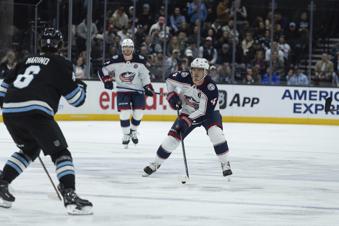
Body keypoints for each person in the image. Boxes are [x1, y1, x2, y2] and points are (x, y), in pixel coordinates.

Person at [0, 28, 92, 214]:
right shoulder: (61, 63)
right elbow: (76, 100)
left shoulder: (25, 60)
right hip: (36, 112)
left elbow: (3, 88)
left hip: (10, 111)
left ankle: (2, 183)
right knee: (61, 153)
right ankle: (70, 196)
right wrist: (81, 87)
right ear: (60, 45)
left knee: (29, 149)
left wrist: (11, 106)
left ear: (41, 44)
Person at [143, 58, 232, 177]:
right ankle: (156, 163)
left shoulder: (210, 88)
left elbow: (203, 111)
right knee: (172, 139)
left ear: (206, 72)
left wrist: (187, 120)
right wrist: (171, 95)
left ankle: (225, 163)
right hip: (188, 110)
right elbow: (169, 80)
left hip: (209, 113)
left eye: (200, 70)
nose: (196, 73)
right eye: (194, 69)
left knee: (216, 134)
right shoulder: (182, 77)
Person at [98, 38, 154, 148]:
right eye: (124, 47)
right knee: (125, 113)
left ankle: (133, 130)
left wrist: (148, 86)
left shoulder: (140, 60)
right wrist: (106, 80)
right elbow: (102, 70)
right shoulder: (116, 60)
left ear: (132, 49)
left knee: (139, 113)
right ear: (122, 49)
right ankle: (126, 134)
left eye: (129, 47)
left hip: (138, 91)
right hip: (123, 91)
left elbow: (144, 75)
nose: (127, 50)